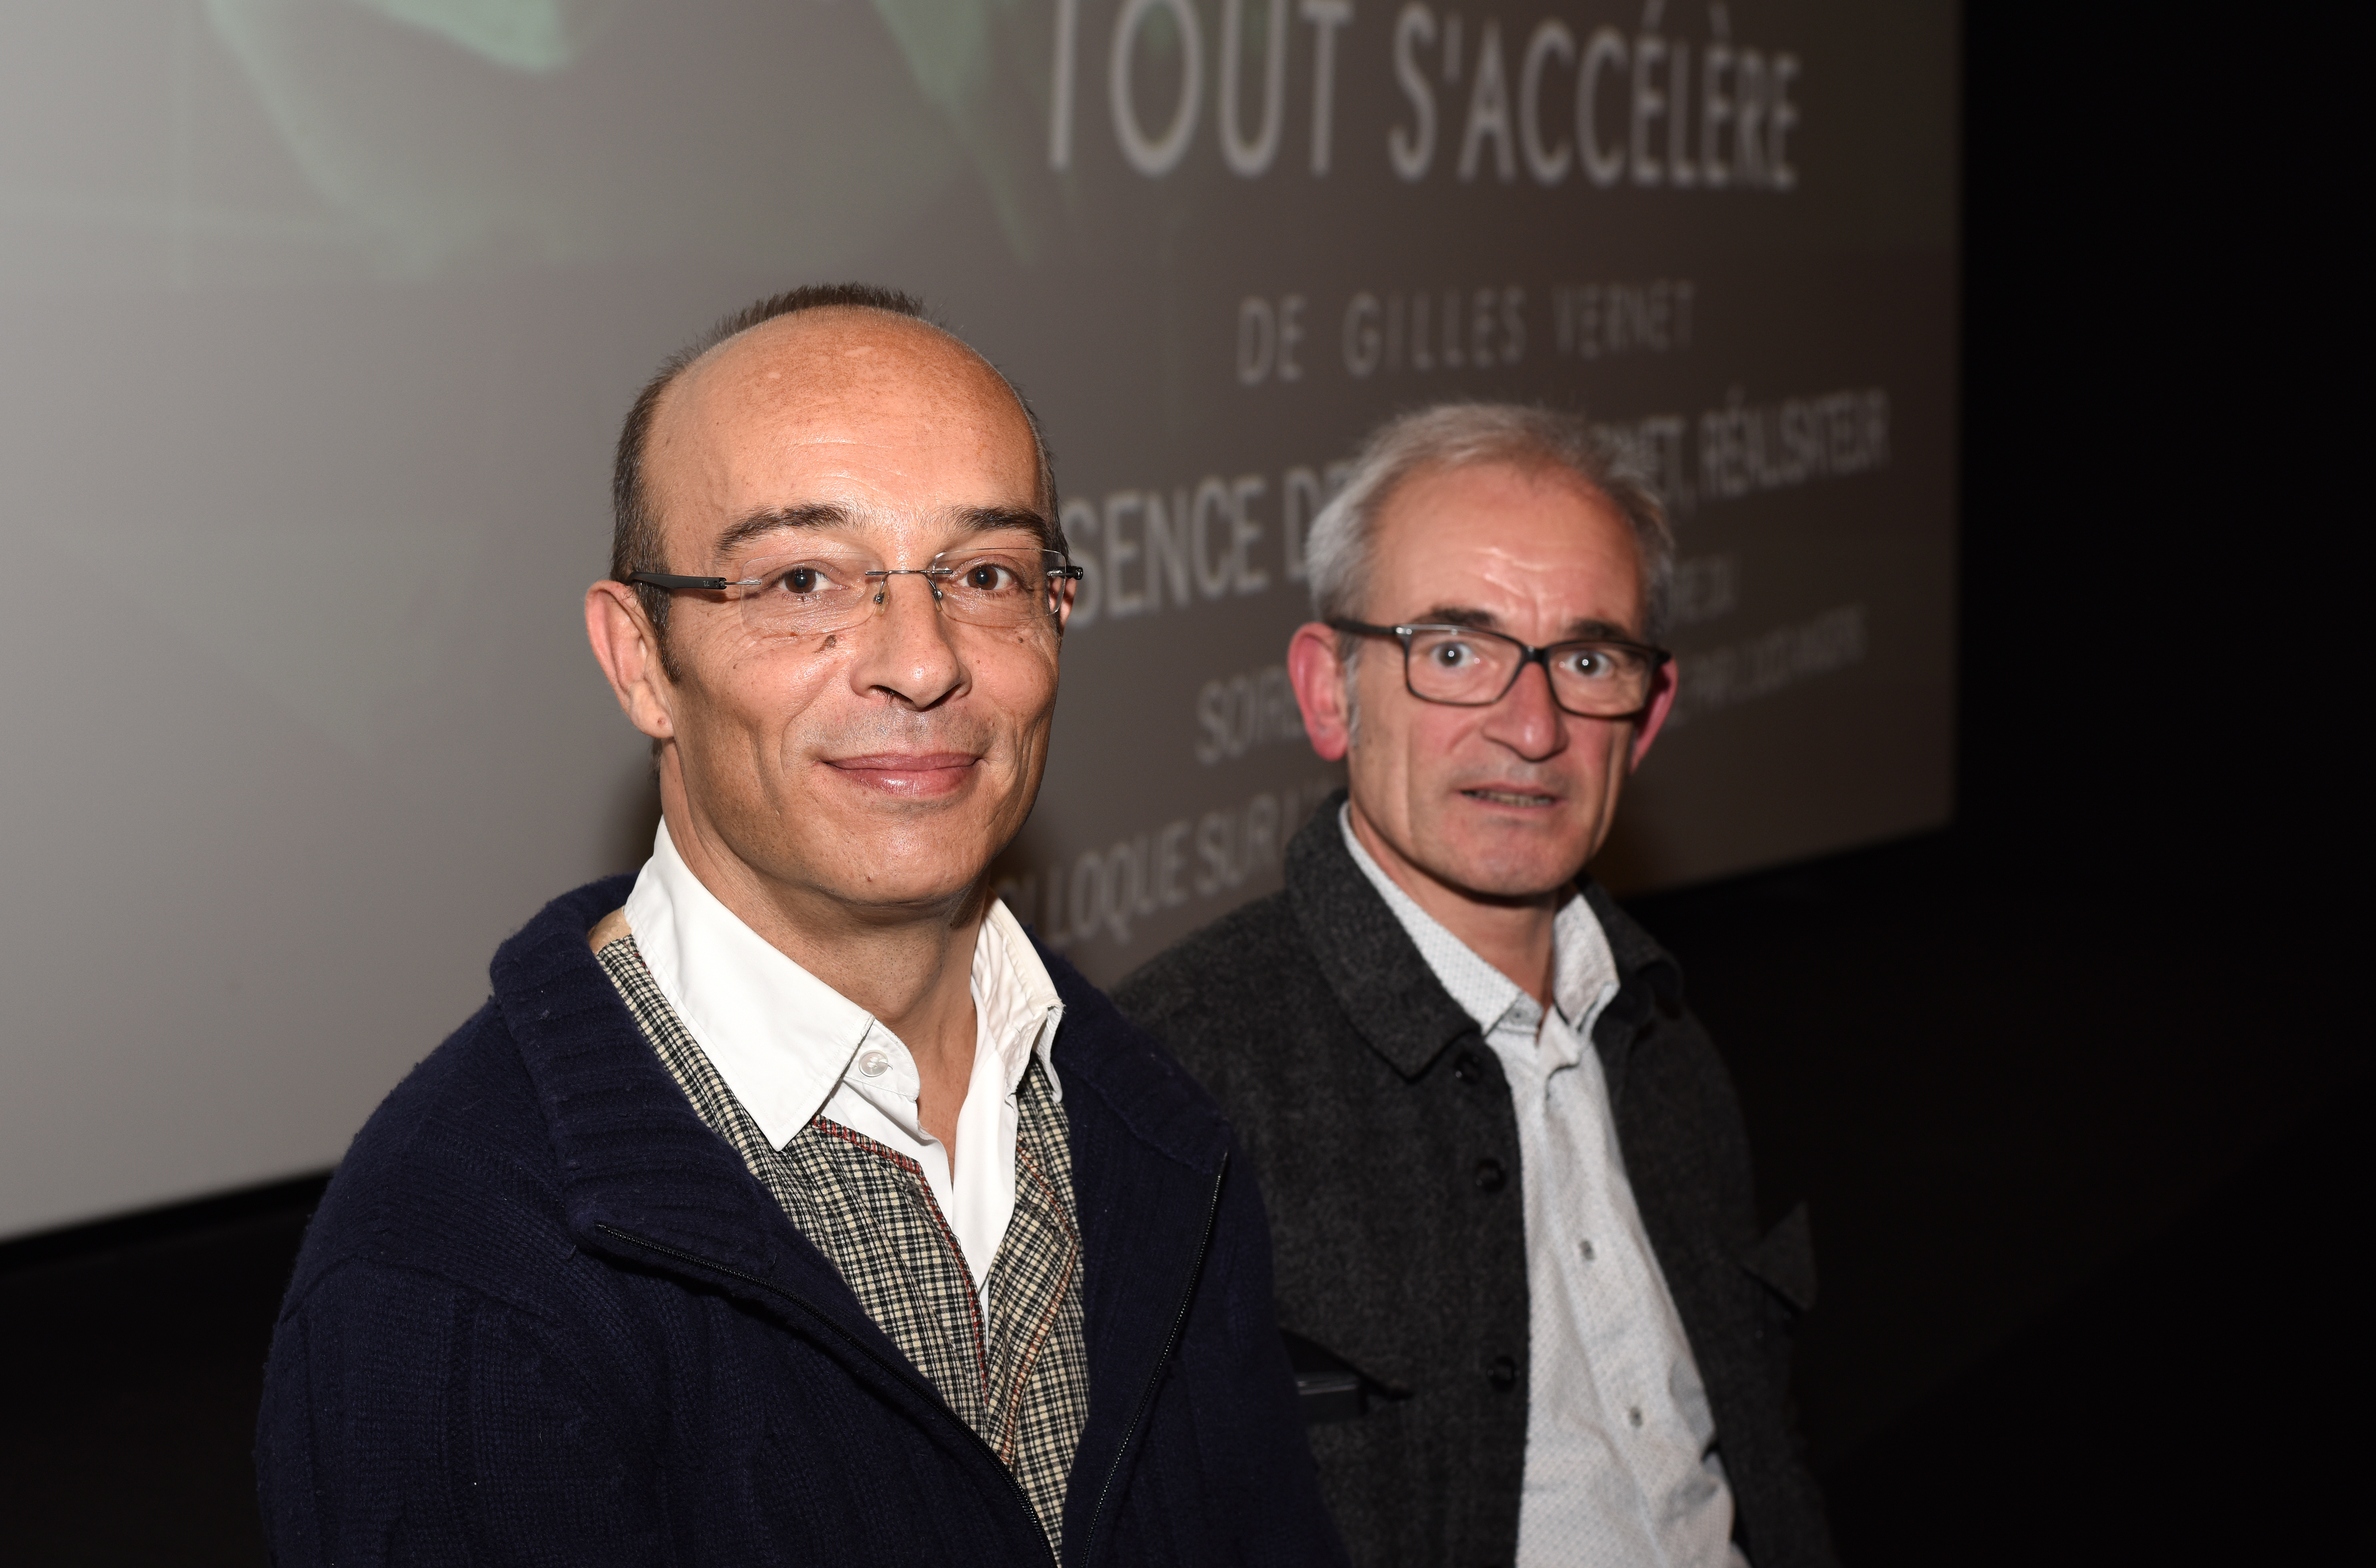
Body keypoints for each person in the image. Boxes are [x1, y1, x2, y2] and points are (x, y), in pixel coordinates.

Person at [255, 285, 1342, 1567]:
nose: (923, 661)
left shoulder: (1155, 1122)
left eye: (985, 573)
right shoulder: (447, 1279)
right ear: (641, 661)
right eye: (804, 580)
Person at [1115, 405, 1837, 1568]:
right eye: (1456, 652)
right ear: (1328, 693)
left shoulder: (1664, 1036)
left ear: (1644, 720)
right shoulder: (1175, 1090)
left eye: (1589, 661)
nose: (1534, 726)